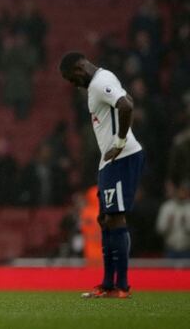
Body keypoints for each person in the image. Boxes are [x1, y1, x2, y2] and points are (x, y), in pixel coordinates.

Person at [60, 52, 145, 299]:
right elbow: (126, 98)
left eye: (71, 79)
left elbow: (126, 104)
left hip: (122, 156)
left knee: (115, 218)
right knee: (105, 219)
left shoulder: (99, 81)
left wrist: (119, 142)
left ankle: (122, 286)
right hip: (109, 161)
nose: (73, 85)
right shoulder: (99, 83)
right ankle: (108, 284)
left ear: (78, 69)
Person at [155, 181, 190, 259]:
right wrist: (168, 223)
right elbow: (160, 229)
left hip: (187, 250)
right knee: (169, 271)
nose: (182, 193)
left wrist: (186, 223)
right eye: (180, 190)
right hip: (170, 250)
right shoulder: (167, 207)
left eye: (184, 190)